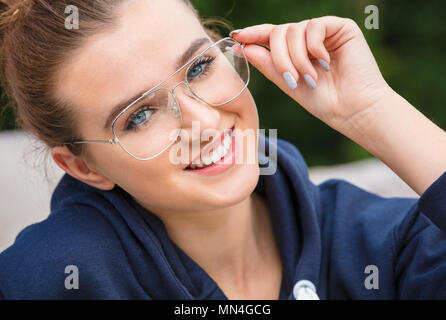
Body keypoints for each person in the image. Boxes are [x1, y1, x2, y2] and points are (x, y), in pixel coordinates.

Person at [0, 0, 445, 300]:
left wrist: (371, 111)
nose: (205, 122)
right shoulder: (47, 279)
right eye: (138, 116)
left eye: (199, 67)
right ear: (82, 167)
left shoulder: (379, 244)